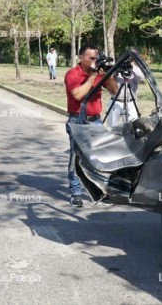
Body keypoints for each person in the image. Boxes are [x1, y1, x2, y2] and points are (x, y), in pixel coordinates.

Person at [64, 44, 117, 207]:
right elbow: (78, 95)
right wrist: (92, 77)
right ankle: (76, 192)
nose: (95, 61)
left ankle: (101, 190)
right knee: (76, 157)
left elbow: (115, 91)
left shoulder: (99, 73)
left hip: (95, 120)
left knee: (100, 157)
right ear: (81, 58)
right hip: (77, 120)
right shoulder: (72, 74)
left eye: (96, 58)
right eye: (91, 58)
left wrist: (108, 76)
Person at [105, 59, 145, 127]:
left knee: (132, 127)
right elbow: (107, 77)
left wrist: (132, 67)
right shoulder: (117, 68)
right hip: (115, 101)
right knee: (111, 126)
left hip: (130, 102)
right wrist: (117, 68)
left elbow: (141, 78)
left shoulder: (135, 70)